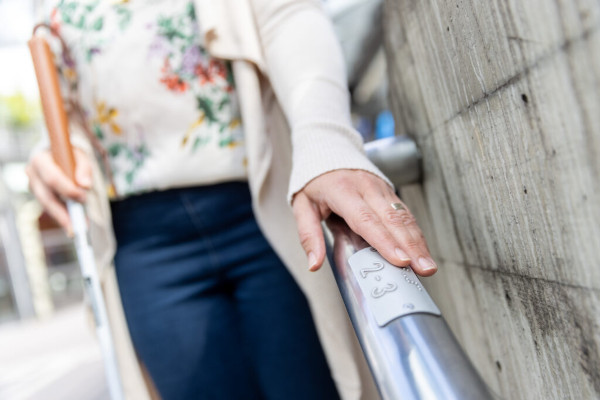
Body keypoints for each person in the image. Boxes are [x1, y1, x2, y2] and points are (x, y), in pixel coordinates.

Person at [27, 0, 438, 399]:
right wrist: (52, 152)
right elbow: (71, 109)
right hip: (145, 242)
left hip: (263, 210)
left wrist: (325, 138)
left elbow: (288, 16)